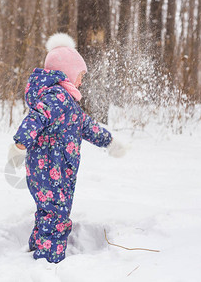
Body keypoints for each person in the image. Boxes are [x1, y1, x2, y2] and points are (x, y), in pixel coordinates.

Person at [8, 33, 125, 263]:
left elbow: (88, 126)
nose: (82, 80)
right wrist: (21, 142)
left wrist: (109, 141)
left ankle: (38, 249)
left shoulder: (67, 103)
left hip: (58, 170)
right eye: (80, 75)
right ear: (68, 73)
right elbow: (37, 117)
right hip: (50, 170)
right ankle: (49, 262)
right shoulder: (57, 98)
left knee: (48, 213)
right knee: (56, 216)